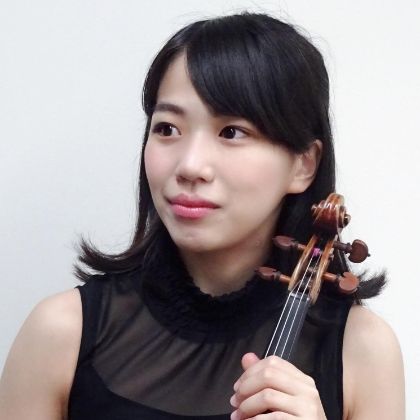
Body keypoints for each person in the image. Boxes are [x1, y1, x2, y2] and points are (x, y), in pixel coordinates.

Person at [0, 12, 404, 420]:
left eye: (232, 132)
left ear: (303, 164)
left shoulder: (363, 352)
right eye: (167, 129)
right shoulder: (61, 333)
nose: (190, 165)